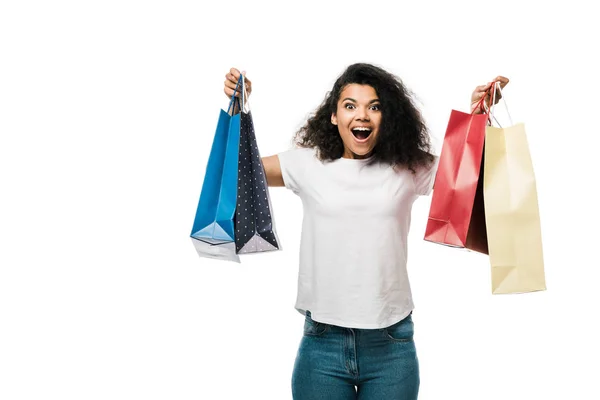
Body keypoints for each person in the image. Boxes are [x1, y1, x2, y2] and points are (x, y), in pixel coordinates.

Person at [222, 63, 508, 400]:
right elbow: (238, 170)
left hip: (391, 346)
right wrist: (237, 111)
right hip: (322, 344)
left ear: (387, 117)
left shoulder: (408, 166)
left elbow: (464, 174)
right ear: (334, 117)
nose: (362, 115)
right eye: (350, 106)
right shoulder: (306, 164)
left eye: (374, 107)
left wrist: (476, 114)